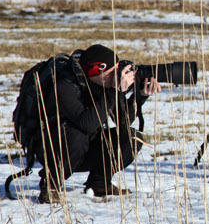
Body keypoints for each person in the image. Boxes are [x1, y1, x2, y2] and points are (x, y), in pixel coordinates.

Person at [37, 44, 161, 203]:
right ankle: (50, 185)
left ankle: (99, 184)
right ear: (95, 71)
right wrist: (113, 92)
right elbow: (86, 123)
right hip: (55, 150)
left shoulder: (105, 85)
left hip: (84, 148)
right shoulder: (64, 85)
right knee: (77, 135)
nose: (116, 75)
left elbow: (123, 122)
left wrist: (140, 96)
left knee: (132, 137)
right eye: (112, 72)